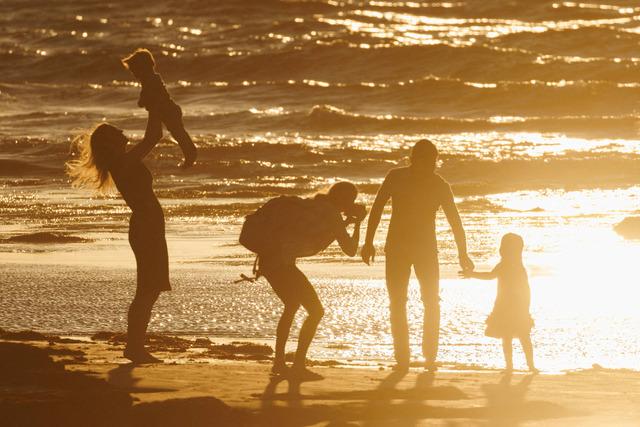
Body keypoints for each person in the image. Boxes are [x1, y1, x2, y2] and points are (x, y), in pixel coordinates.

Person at [361, 139, 474, 372]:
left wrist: (463, 253)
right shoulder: (396, 177)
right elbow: (378, 206)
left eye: (434, 162)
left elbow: (455, 220)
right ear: (414, 159)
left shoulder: (440, 184)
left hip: (426, 250)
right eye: (426, 161)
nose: (431, 166)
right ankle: (402, 357)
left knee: (431, 301)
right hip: (397, 248)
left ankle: (430, 356)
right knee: (397, 302)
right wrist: (368, 241)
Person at [66, 111, 169, 364]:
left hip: (149, 227)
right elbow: (153, 136)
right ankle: (134, 347)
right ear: (110, 143)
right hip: (146, 228)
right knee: (147, 289)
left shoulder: (123, 161)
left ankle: (135, 346)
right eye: (118, 133)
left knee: (151, 289)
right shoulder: (123, 162)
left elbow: (153, 136)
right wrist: (154, 104)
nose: (124, 134)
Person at [247, 182, 365, 380]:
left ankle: (280, 363)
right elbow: (351, 249)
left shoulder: (317, 205)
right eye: (351, 200)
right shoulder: (331, 214)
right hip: (280, 263)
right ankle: (297, 365)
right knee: (316, 311)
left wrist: (348, 222)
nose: (352, 204)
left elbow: (318, 234)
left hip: (270, 260)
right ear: (344, 200)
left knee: (292, 305)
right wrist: (359, 223)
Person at [460, 233, 538, 373]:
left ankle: (516, 366)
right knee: (520, 336)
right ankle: (526, 366)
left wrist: (472, 274)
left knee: (511, 336)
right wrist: (526, 306)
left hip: (510, 306)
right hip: (512, 306)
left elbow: (490, 276)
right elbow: (526, 289)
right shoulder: (514, 267)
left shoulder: (508, 266)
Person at [122, 48, 197, 168]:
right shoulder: (149, 79)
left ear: (143, 68)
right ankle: (134, 158)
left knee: (176, 133)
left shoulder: (151, 79)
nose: (133, 74)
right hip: (158, 111)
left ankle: (191, 153)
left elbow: (150, 96)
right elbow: (146, 97)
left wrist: (143, 101)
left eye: (134, 70)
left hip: (167, 110)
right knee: (155, 136)